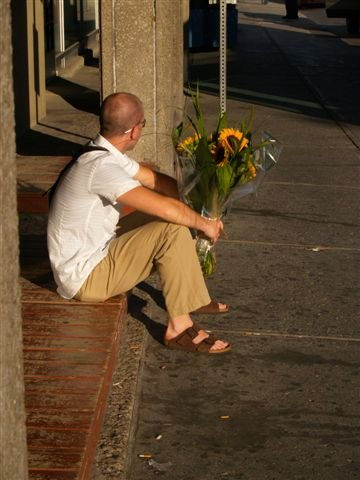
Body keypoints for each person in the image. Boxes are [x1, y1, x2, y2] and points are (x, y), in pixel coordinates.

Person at [47, 92, 231, 354]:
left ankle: (189, 295)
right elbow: (167, 208)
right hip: (84, 278)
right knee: (172, 225)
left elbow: (156, 182)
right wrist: (205, 224)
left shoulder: (103, 151)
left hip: (93, 253)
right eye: (143, 124)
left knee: (176, 214)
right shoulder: (101, 168)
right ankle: (178, 327)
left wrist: (199, 200)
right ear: (134, 131)